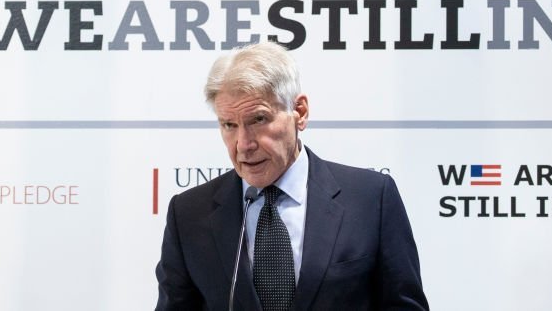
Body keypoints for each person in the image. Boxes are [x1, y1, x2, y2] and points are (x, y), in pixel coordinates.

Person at [154, 42, 428, 310]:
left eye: (258, 120)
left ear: (300, 112)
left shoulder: (371, 199)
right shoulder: (189, 214)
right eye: (229, 125)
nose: (243, 144)